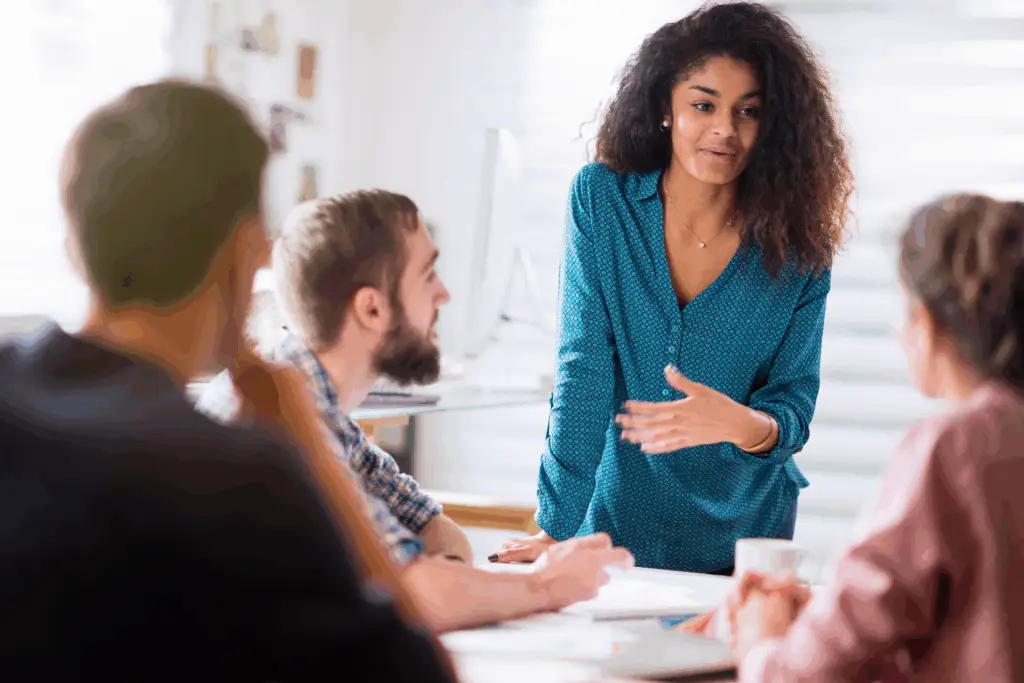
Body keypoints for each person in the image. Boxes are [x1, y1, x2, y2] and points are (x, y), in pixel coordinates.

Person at [0, 80, 455, 681]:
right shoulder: (240, 474)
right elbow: (420, 670)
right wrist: (304, 450)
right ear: (245, 252)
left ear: (77, 241)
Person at [494, 1, 853, 573]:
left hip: (746, 540)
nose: (724, 130)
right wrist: (554, 526)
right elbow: (583, 366)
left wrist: (740, 422)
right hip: (614, 526)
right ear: (666, 107)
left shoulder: (799, 247)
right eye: (703, 104)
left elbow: (792, 406)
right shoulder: (604, 201)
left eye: (749, 112)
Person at [197, 190, 635, 633]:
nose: (443, 295)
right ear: (372, 308)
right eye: (428, 275)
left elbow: (436, 531)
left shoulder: (320, 407)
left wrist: (443, 584)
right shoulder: (280, 418)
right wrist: (545, 587)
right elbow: (415, 593)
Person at [727, 194, 1024, 682]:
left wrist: (762, 639)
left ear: (928, 325)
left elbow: (797, 679)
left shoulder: (955, 448)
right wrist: (828, 617)